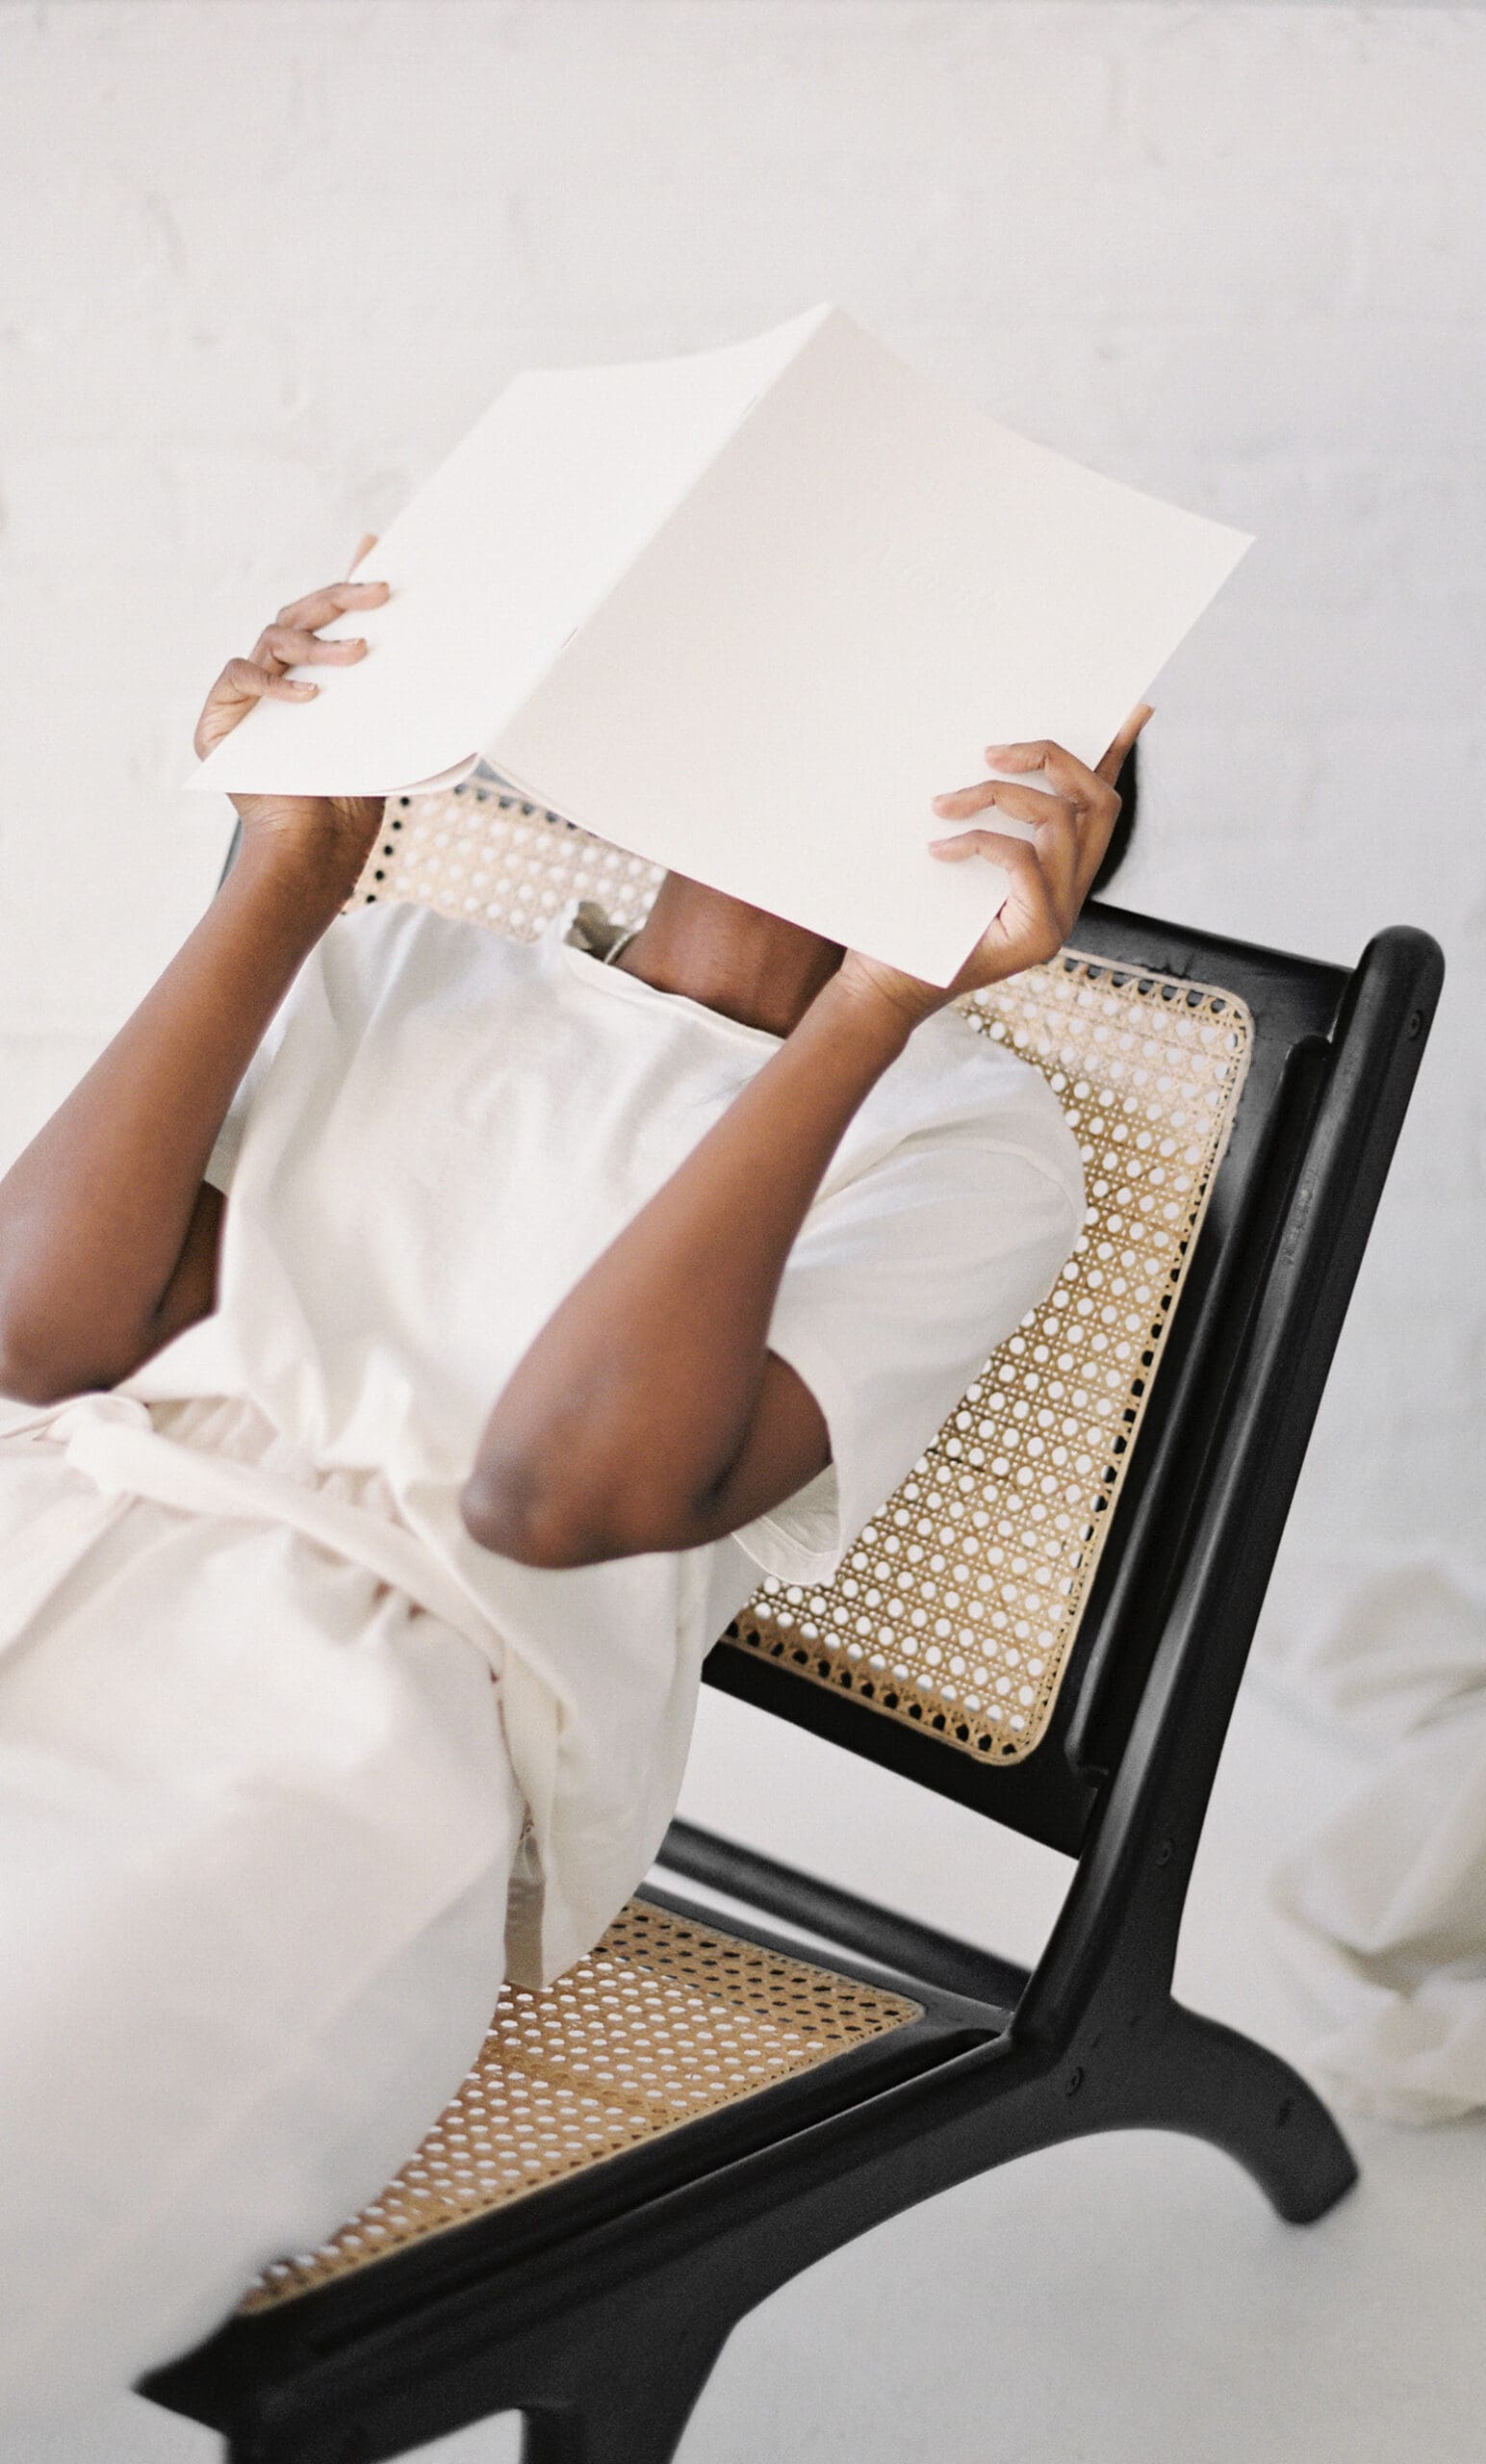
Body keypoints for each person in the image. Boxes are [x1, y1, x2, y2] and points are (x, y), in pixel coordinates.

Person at [0, 538, 1149, 2410]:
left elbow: (558, 1492)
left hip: (356, 1719)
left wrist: (865, 1011)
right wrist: (286, 873)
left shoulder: (963, 1138)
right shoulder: (401, 963)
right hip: (59, 1546)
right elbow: (39, 1335)